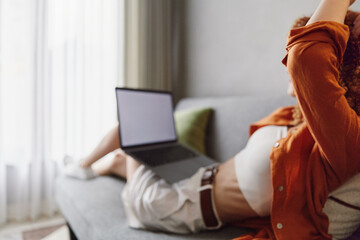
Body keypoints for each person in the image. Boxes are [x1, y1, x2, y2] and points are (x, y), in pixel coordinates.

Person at [65, 0, 360, 239]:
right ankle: (97, 166)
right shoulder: (296, 119)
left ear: (339, 73)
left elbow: (306, 60)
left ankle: (84, 166)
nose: (287, 82)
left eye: (291, 78)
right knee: (138, 144)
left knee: (128, 133)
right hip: (199, 174)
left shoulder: (344, 140)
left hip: (173, 206)